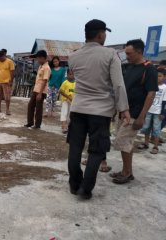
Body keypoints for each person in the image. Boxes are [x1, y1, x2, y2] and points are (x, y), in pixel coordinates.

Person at [67, 19, 130, 200]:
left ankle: (74, 184)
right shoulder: (111, 54)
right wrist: (123, 109)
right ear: (101, 34)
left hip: (78, 109)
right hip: (100, 111)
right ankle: (85, 189)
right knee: (96, 151)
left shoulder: (74, 56)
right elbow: (118, 85)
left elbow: (75, 77)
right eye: (105, 33)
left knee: (75, 148)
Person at [112, 39, 158, 184]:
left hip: (135, 113)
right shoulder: (129, 67)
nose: (127, 56)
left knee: (122, 141)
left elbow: (151, 94)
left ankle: (126, 172)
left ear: (139, 52)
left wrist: (141, 117)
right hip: (123, 111)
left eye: (129, 53)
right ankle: (127, 171)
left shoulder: (149, 69)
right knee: (126, 144)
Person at [137, 69, 166, 154]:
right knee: (146, 127)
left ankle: (155, 146)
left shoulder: (164, 88)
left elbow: (164, 101)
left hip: (158, 112)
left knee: (156, 129)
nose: (158, 78)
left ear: (164, 77)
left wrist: (162, 113)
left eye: (160, 76)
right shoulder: (150, 85)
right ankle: (146, 143)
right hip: (149, 111)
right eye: (156, 76)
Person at [24, 50, 51, 129]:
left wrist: (40, 93)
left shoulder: (47, 68)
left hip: (41, 91)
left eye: (38, 59)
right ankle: (30, 122)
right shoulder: (41, 66)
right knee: (31, 106)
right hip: (36, 89)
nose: (37, 60)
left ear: (42, 58)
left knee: (38, 108)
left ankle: (37, 125)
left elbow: (45, 81)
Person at [0, 50, 15, 115]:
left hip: (6, 82)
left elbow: (12, 72)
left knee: (7, 97)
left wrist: (11, 81)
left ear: (3, 56)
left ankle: (7, 110)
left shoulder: (10, 62)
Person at [59, 69, 75, 133]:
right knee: (64, 113)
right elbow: (60, 91)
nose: (71, 76)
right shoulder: (65, 82)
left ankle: (69, 126)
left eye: (72, 74)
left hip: (72, 101)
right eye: (69, 74)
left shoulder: (76, 83)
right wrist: (68, 97)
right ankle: (63, 126)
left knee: (70, 114)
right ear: (67, 75)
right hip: (65, 100)